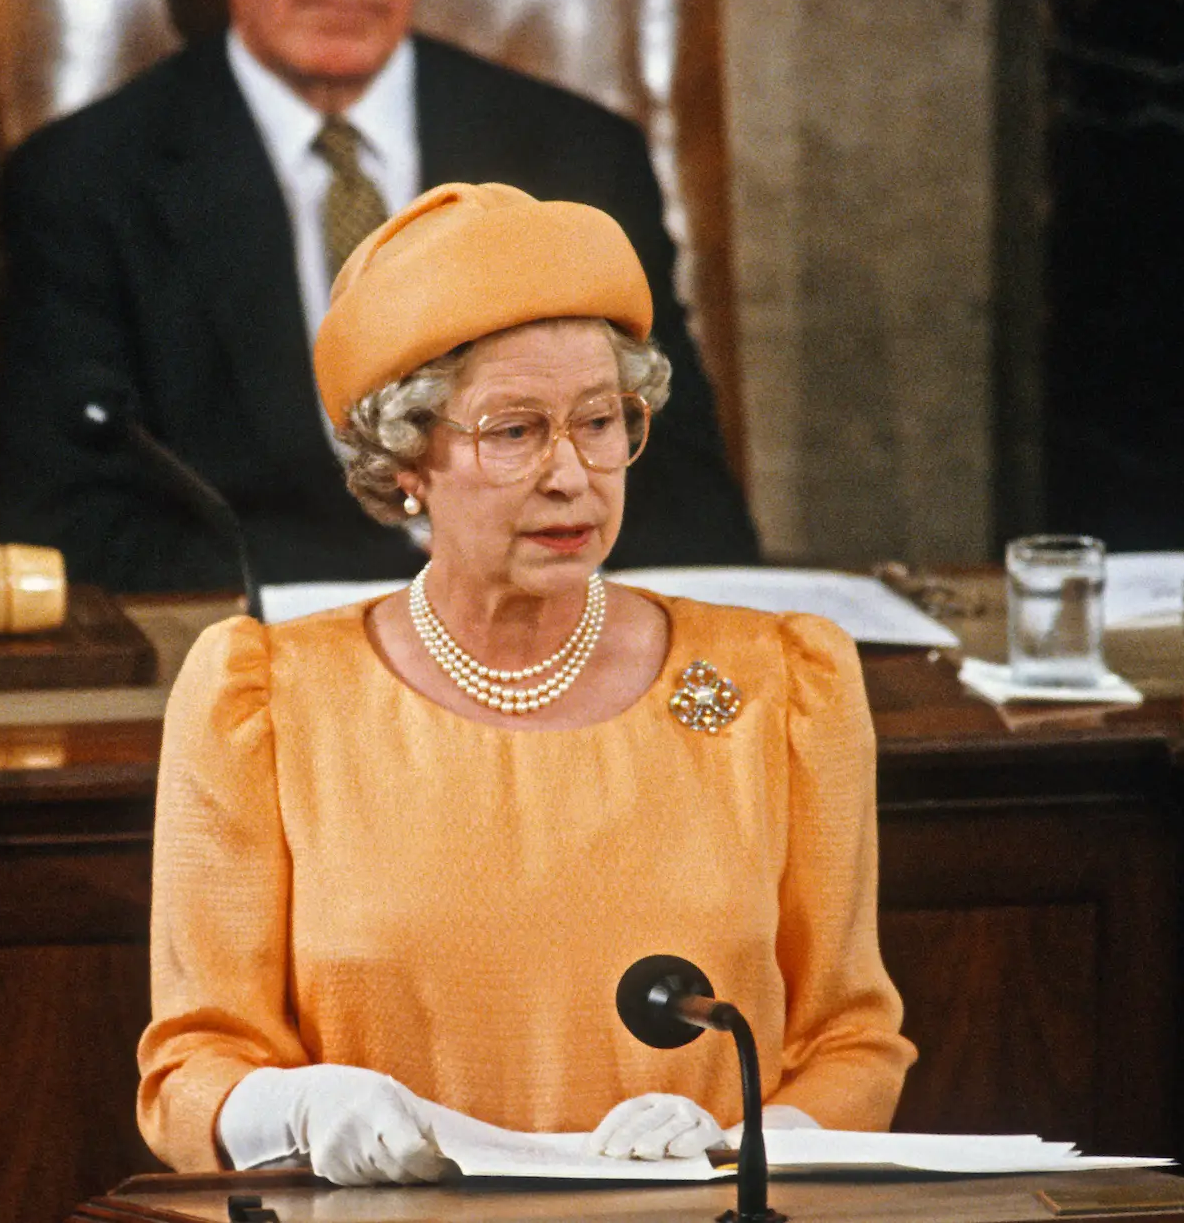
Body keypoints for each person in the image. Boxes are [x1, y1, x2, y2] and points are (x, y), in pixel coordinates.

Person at [137, 183, 910, 1183]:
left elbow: (854, 1043)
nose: (572, 474)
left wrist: (749, 1146)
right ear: (407, 456)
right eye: (515, 431)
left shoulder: (784, 685)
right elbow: (191, 1070)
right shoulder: (267, 699)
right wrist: (298, 1107)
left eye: (600, 421)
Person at [0, 0, 758, 592]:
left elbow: (688, 507)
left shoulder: (579, 161)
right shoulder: (86, 181)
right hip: (260, 672)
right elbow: (69, 529)